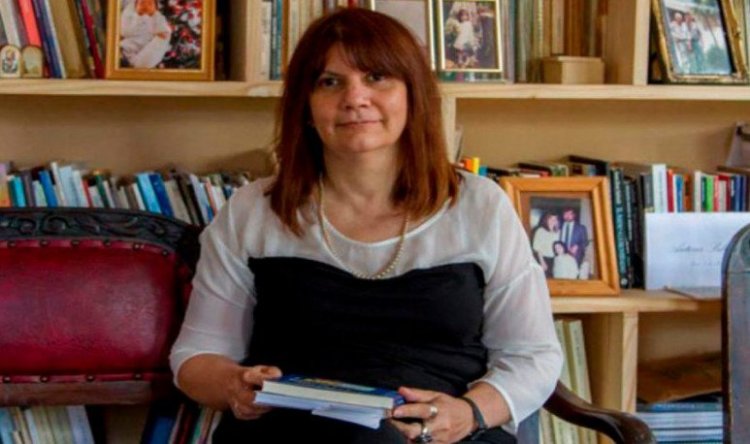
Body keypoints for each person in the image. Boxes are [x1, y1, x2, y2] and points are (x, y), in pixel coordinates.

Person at [169, 8, 561, 444]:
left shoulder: (480, 205)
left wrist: (469, 413)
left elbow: (533, 356)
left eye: (376, 77)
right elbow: (196, 356)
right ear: (305, 106)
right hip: (293, 434)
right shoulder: (253, 210)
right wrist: (233, 385)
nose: (355, 98)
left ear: (413, 96)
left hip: (442, 435)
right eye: (329, 82)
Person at [119, 0, 171, 68]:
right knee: (125, 49)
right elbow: (124, 31)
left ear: (156, 8)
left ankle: (141, 64)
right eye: (142, 3)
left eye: (150, 4)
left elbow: (164, 30)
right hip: (130, 46)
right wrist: (137, 17)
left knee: (158, 45)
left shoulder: (158, 18)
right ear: (135, 6)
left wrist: (161, 35)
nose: (145, 6)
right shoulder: (132, 16)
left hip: (147, 46)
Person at [531, 212, 560, 277]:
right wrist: (542, 262)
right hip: (544, 259)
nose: (553, 221)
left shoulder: (558, 232)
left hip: (555, 260)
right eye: (551, 219)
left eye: (555, 219)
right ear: (546, 220)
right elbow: (537, 248)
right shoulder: (540, 231)